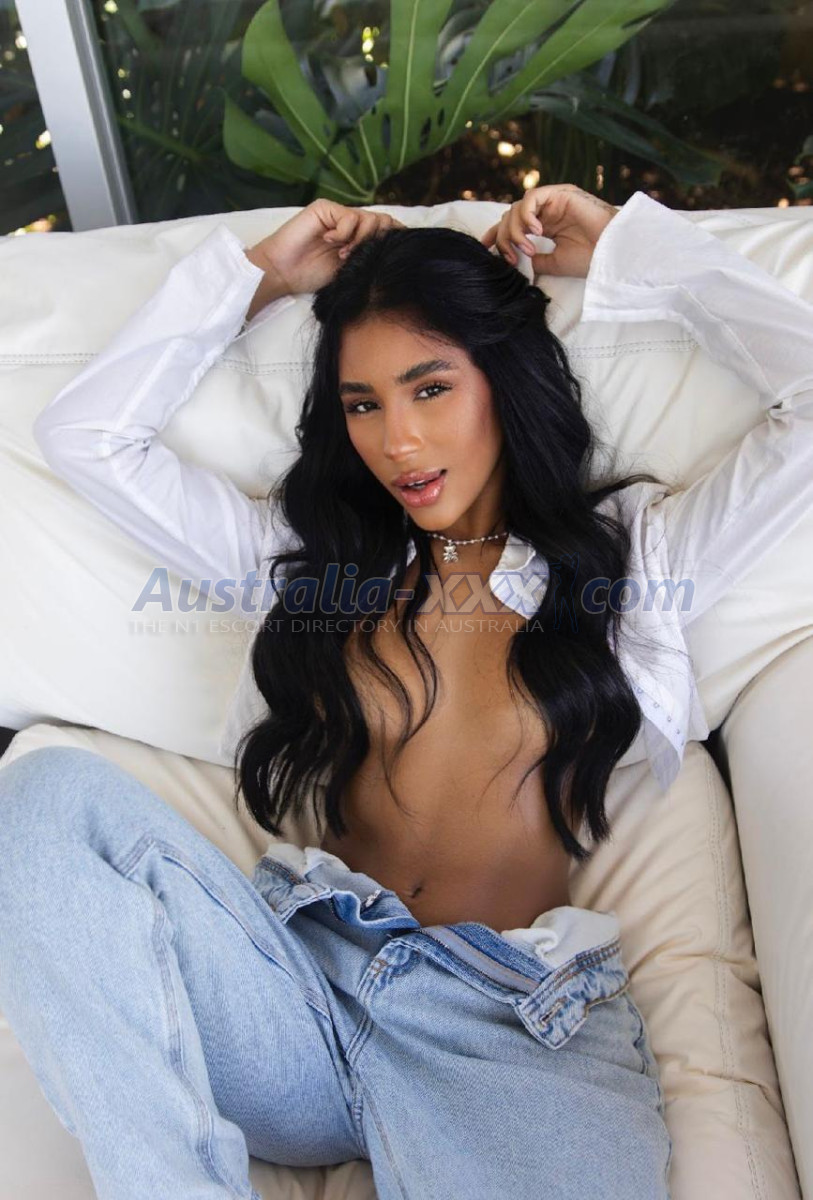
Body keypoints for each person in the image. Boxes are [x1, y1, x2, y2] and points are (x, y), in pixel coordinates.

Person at [4, 180, 813, 1198]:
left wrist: (629, 248)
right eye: (364, 404)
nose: (398, 442)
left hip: (503, 1025)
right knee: (42, 801)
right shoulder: (309, 569)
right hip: (302, 991)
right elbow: (89, 438)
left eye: (430, 389)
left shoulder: (631, 563)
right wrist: (259, 279)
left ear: (503, 382)